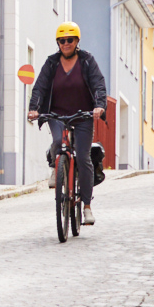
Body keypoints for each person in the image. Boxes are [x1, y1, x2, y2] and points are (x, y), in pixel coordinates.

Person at [28, 22, 108, 210]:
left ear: (77, 41)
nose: (66, 44)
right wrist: (34, 108)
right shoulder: (51, 63)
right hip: (57, 115)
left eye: (70, 40)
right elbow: (40, 87)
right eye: (62, 41)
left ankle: (86, 206)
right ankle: (57, 168)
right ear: (58, 43)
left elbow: (98, 84)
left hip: (83, 116)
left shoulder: (87, 60)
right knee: (58, 141)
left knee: (83, 157)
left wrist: (99, 106)